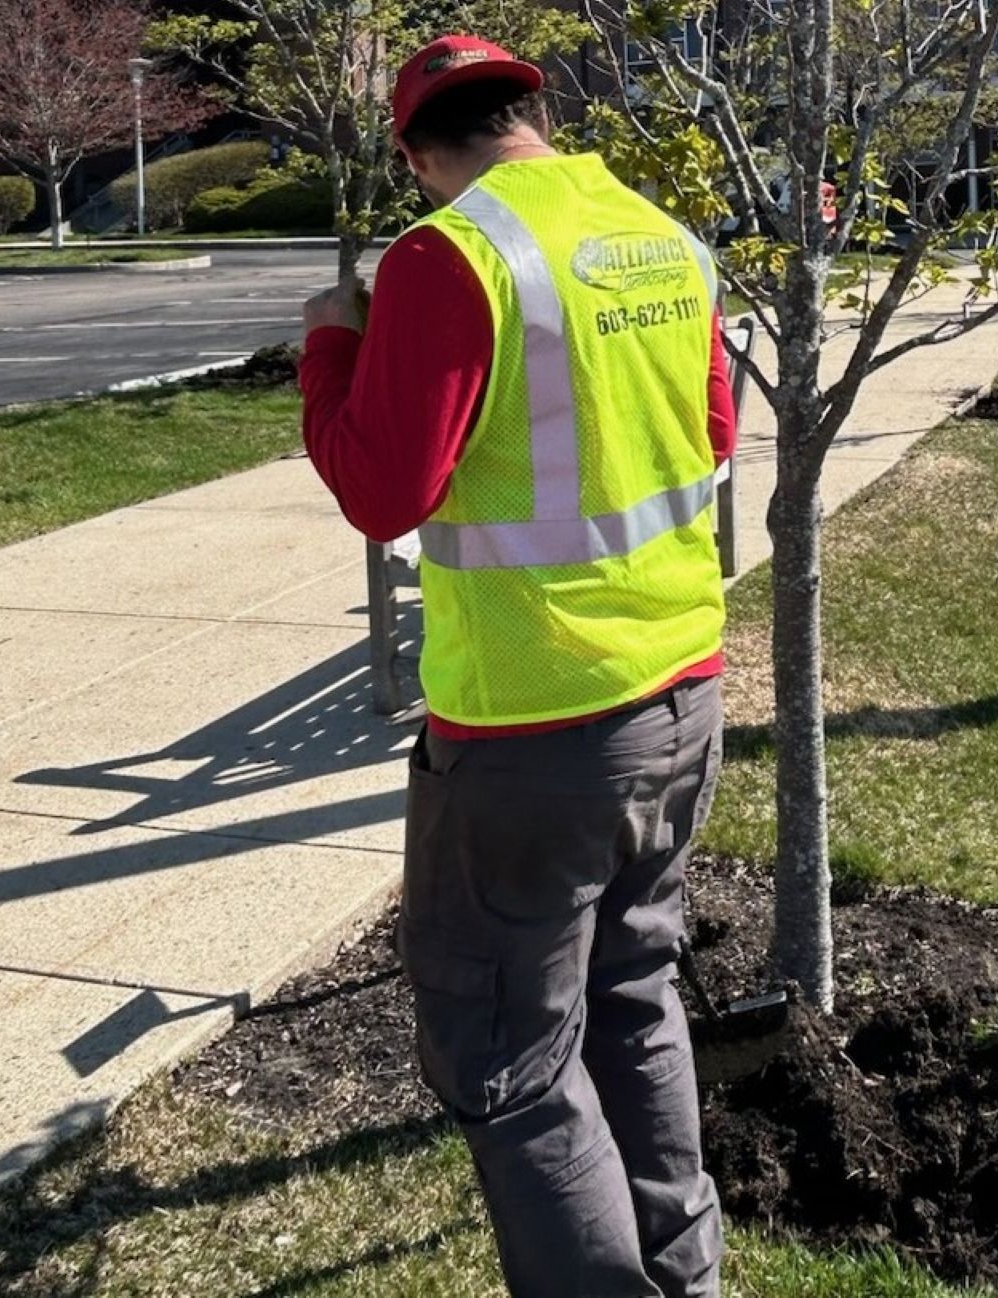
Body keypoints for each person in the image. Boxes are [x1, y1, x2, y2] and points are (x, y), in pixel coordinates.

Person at [297, 33, 736, 1298]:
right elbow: (713, 431)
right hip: (681, 692)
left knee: (507, 1053)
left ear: (415, 154)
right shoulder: (657, 229)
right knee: (634, 993)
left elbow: (383, 489)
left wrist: (335, 346)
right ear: (537, 112)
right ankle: (683, 1271)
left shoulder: (449, 254)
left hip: (531, 729)